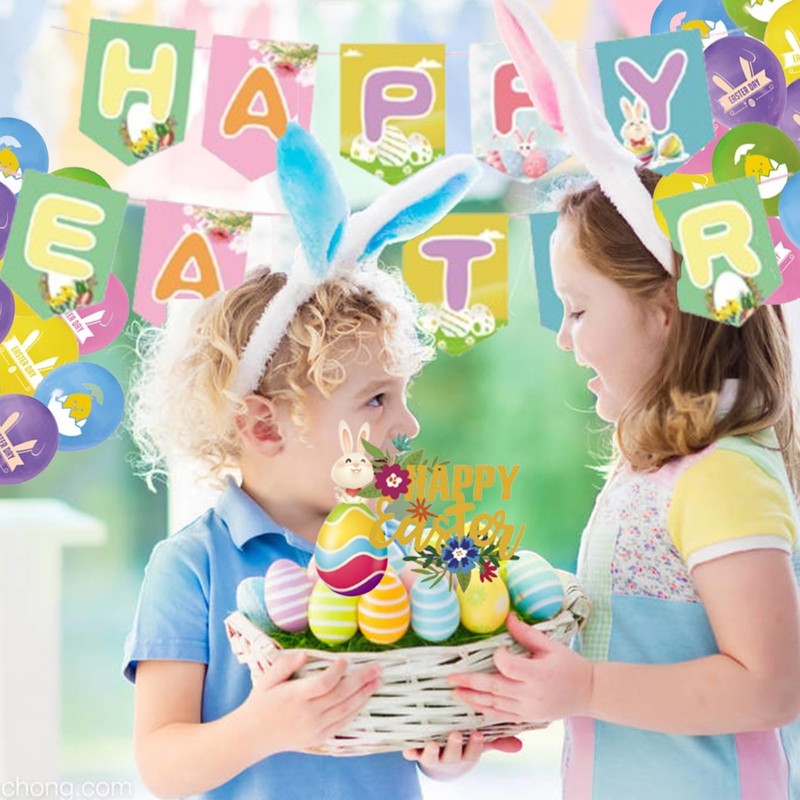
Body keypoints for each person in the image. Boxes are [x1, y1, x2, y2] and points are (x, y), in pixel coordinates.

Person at [122, 123, 516, 798]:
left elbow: (410, 713)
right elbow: (162, 766)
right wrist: (263, 728)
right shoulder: (192, 566)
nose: (408, 424)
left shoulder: (396, 552)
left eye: (401, 396)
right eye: (376, 399)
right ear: (264, 426)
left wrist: (446, 751)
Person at [449, 167, 800, 799]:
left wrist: (585, 688)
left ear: (665, 312)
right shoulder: (657, 472)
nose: (563, 338)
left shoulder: (721, 475)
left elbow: (770, 685)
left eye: (578, 309)